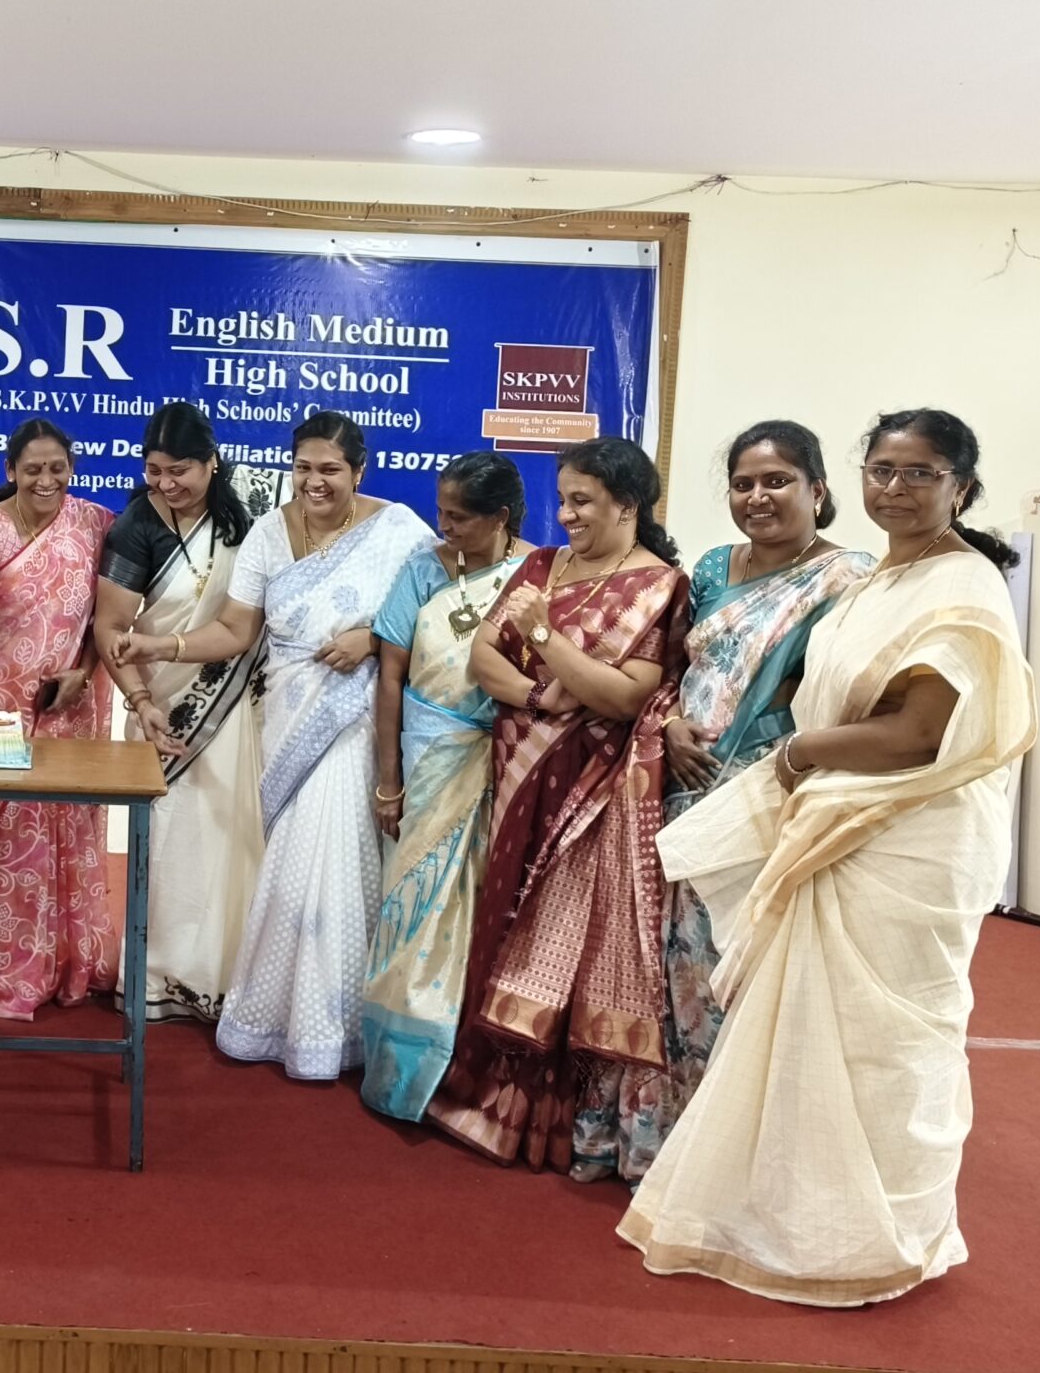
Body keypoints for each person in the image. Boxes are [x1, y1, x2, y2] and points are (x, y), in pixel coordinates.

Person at [621, 409, 1036, 1307]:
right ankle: (800, 1219)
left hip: (910, 840)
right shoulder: (884, 578)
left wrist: (798, 755)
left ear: (960, 487)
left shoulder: (963, 586)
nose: (895, 487)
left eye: (919, 473)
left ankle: (877, 1234)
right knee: (815, 1034)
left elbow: (920, 734)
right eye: (882, 469)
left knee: (885, 1048)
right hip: (843, 823)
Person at [566, 420, 873, 1180]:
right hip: (672, 790)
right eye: (743, 484)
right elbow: (671, 669)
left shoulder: (848, 578)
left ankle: (722, 1159)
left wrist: (771, 760)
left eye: (777, 482)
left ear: (817, 490)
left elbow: (836, 695)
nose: (757, 497)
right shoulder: (709, 567)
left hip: (763, 797)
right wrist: (670, 722)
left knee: (727, 969)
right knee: (654, 964)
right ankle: (649, 1144)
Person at [120, 412, 434, 1078]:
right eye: (303, 468)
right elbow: (236, 630)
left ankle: (331, 1028)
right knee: (291, 863)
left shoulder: (400, 530)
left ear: (359, 471)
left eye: (330, 470)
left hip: (354, 721)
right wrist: (162, 645)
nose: (314, 482)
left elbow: (435, 612)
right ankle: (277, 1014)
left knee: (336, 861)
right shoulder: (268, 531)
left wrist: (374, 638)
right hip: (286, 720)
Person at [426, 437, 689, 1167]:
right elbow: (483, 656)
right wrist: (545, 694)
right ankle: (483, 1091)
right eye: (564, 499)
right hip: (518, 769)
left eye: (583, 501)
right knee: (501, 915)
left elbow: (627, 697)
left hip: (586, 790)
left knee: (559, 941)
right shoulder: (543, 565)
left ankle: (543, 1118)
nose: (566, 514)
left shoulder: (660, 586)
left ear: (627, 506)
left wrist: (543, 634)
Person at [90, 402, 287, 1024]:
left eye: (180, 471)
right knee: (173, 843)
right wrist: (142, 701)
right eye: (154, 470)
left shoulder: (251, 513)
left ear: (213, 463)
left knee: (235, 836)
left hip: (239, 709)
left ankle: (230, 980)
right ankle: (159, 977)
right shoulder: (136, 527)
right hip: (163, 710)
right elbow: (110, 629)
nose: (166, 483)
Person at [357, 452, 530, 1120]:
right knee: (412, 906)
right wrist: (388, 782)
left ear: (501, 517)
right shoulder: (423, 570)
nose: (445, 525)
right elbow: (390, 676)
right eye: (441, 511)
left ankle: (467, 1068)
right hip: (428, 761)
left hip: (503, 763)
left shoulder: (536, 575)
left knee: (488, 908)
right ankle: (402, 1069)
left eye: (459, 516)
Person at [0, 420, 118, 1019]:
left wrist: (85, 671)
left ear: (71, 468)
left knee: (72, 836)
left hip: (71, 706)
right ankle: (11, 975)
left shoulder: (96, 524)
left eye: (57, 469)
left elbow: (110, 618)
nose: (46, 480)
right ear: (11, 471)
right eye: (33, 469)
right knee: (11, 848)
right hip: (0, 710)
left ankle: (75, 967)